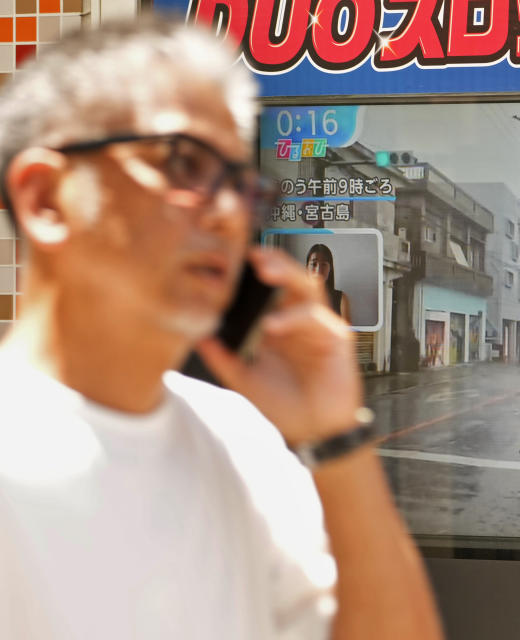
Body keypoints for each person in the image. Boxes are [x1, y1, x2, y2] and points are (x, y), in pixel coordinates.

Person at [0, 18, 442, 640]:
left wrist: (337, 436)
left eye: (242, 184)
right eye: (184, 163)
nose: (230, 212)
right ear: (46, 198)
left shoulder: (243, 443)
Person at [306, 243, 351, 324]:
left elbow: (346, 334)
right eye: (314, 264)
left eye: (323, 264)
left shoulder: (341, 299)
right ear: (307, 267)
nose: (318, 270)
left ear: (330, 269)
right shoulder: (295, 297)